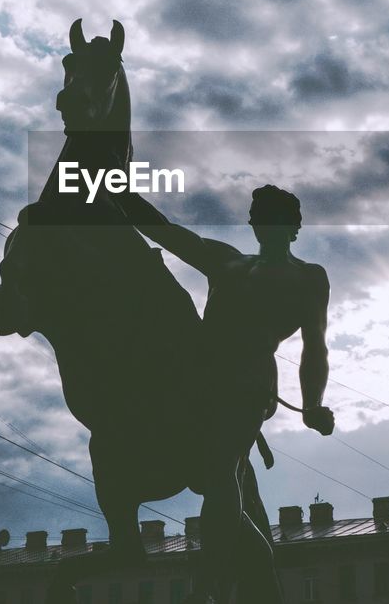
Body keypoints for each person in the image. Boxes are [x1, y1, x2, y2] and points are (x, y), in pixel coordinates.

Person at [116, 184, 333, 604]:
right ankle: (256, 575)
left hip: (247, 383)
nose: (261, 224)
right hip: (193, 379)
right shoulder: (224, 260)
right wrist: (119, 193)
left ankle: (207, 589)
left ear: (293, 227)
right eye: (257, 216)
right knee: (217, 478)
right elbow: (164, 230)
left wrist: (312, 405)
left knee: (219, 471)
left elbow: (315, 346)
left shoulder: (308, 277)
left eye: (271, 216)